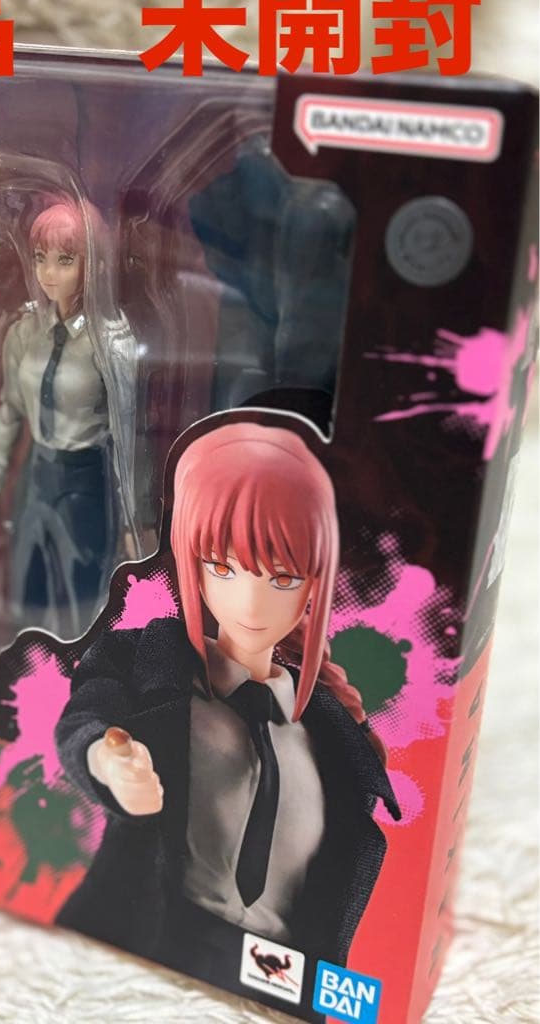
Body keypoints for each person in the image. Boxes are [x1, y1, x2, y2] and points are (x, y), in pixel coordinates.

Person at [55, 422, 400, 1016]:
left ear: (314, 586)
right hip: (152, 949)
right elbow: (87, 714)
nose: (251, 603)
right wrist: (108, 764)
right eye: (222, 567)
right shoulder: (149, 662)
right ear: (191, 563)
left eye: (282, 577)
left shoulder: (330, 733)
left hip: (279, 981)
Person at [0, 199, 116, 639]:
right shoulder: (24, 333)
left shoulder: (111, 343)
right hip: (36, 475)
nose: (48, 272)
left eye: (65, 260)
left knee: (80, 593)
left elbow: (132, 434)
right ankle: (26, 668)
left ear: (94, 265)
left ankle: (79, 672)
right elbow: (10, 410)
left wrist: (139, 516)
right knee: (26, 587)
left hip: (86, 480)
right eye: (40, 258)